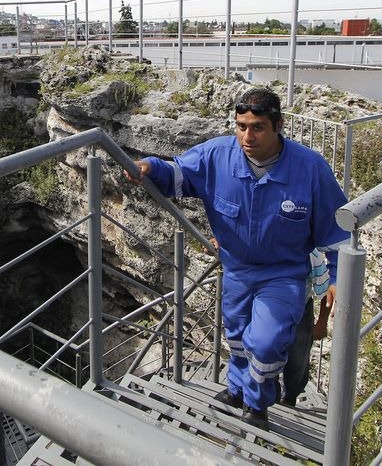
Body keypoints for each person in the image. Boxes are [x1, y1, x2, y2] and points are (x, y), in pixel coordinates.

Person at [126, 87, 349, 430]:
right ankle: (235, 389)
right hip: (236, 270)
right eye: (241, 125)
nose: (247, 135)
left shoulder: (310, 168)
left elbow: (336, 228)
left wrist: (336, 276)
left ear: (278, 125)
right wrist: (148, 167)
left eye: (257, 127)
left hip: (283, 273)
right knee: (238, 336)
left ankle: (258, 405)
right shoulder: (217, 156)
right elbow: (178, 175)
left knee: (265, 341)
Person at [280, 248, 333, 407]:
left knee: (297, 358)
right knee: (267, 351)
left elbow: (326, 290)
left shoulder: (312, 255)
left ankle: (289, 397)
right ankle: (270, 392)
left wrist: (322, 323)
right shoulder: (271, 243)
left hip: (301, 311)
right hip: (272, 309)